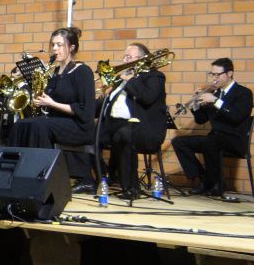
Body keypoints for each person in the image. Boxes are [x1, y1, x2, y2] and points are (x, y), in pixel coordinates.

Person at [10, 27, 96, 193]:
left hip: (79, 126)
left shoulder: (82, 71)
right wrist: (40, 101)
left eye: (59, 45)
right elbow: (50, 102)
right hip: (59, 122)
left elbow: (85, 111)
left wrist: (52, 104)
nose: (54, 49)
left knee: (39, 126)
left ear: (71, 47)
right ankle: (18, 174)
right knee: (22, 124)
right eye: (53, 45)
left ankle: (43, 179)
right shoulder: (56, 72)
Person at [172, 58, 253, 197]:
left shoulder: (243, 93)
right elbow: (201, 120)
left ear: (229, 73)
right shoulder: (215, 93)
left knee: (211, 142)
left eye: (217, 74)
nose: (214, 78)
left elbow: (236, 117)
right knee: (179, 142)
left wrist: (215, 101)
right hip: (215, 139)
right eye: (212, 74)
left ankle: (217, 185)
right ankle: (205, 180)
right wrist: (196, 105)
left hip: (235, 140)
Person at [96, 43, 167, 198]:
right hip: (115, 125)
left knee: (123, 135)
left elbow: (147, 98)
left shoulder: (155, 77)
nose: (124, 60)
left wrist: (129, 80)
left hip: (144, 130)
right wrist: (103, 95)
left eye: (129, 57)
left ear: (141, 59)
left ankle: (131, 188)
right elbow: (105, 105)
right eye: (125, 56)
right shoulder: (121, 80)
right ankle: (101, 177)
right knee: (88, 135)